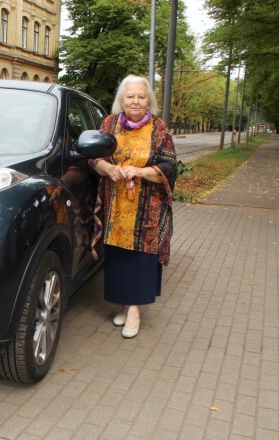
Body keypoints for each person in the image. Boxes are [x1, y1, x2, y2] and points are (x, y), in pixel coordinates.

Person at [90, 74, 177, 339]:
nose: (136, 101)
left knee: (140, 259)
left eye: (141, 96)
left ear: (148, 99)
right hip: (115, 206)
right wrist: (108, 168)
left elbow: (170, 166)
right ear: (121, 100)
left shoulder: (159, 128)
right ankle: (125, 303)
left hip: (147, 210)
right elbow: (93, 157)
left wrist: (139, 172)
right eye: (130, 96)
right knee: (118, 258)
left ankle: (135, 310)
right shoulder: (109, 123)